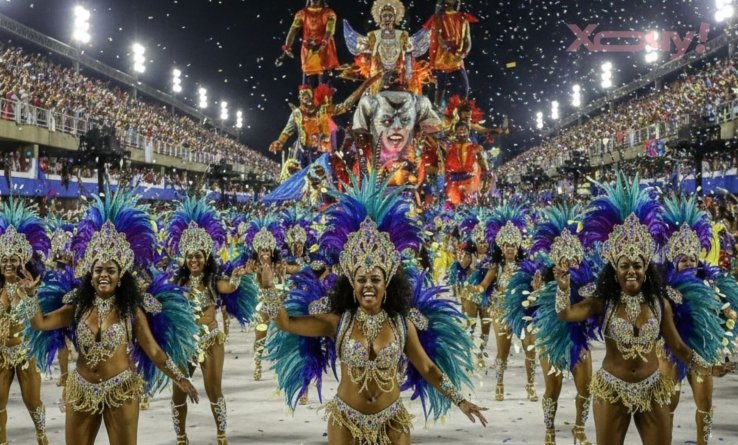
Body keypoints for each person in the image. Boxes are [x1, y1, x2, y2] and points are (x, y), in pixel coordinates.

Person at [266, 174, 488, 443]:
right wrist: (268, 288)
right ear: (352, 284)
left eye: (375, 279)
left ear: (387, 284)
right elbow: (285, 322)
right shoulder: (337, 322)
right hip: (345, 419)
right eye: (361, 279)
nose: (368, 285)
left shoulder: (401, 324)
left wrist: (460, 401)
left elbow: (428, 369)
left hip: (392, 419)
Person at [25, 190, 200, 445]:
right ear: (90, 275)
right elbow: (40, 323)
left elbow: (154, 351)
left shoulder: (131, 311)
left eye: (111, 270)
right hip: (81, 389)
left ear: (120, 277)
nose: (104, 275)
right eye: (98, 270)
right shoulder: (77, 306)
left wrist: (180, 377)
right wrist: (31, 296)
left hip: (121, 389)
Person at [556, 175, 714, 445]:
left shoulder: (659, 303)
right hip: (611, 389)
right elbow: (566, 314)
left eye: (638, 265)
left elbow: (678, 347)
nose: (631, 271)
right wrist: (562, 289)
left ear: (646, 269)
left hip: (652, 388)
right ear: (614, 270)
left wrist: (708, 366)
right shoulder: (602, 301)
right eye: (624, 265)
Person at [166, 196, 254, 445]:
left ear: (206, 257)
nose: (194, 261)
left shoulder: (213, 281)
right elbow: (164, 303)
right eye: (190, 257)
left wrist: (237, 277)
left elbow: (229, 287)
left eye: (198, 256)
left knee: (213, 389)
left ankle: (221, 434)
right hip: (185, 342)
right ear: (185, 258)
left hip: (211, 339)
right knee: (178, 391)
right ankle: (181, 436)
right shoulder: (177, 283)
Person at [0, 200, 51, 445]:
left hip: (25, 353)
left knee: (32, 401)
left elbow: (38, 320)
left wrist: (30, 295)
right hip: (1, 353)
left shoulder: (30, 288)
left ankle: (41, 435)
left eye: (13, 259)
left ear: (22, 261)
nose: (8, 264)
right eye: (4, 259)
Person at [423, 0, 478, 105]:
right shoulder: (439, 18)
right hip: (442, 59)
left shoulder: (463, 18)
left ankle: (462, 110)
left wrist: (463, 54)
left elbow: (467, 40)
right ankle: (436, 108)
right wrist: (449, 49)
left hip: (457, 60)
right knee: (440, 86)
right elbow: (439, 39)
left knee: (464, 86)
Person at [278, 0, 339, 85]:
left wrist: (322, 44)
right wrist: (287, 46)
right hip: (308, 49)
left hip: (324, 50)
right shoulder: (302, 14)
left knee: (324, 82)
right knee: (308, 81)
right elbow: (293, 30)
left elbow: (329, 31)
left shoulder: (329, 13)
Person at [444, 121, 489, 207]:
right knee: (454, 208)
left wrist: (485, 182)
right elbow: (446, 167)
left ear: (468, 132)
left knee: (470, 206)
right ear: (456, 132)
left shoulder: (476, 147)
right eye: (459, 129)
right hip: (454, 183)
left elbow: (484, 166)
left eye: (464, 129)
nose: (461, 131)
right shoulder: (450, 148)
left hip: (471, 182)